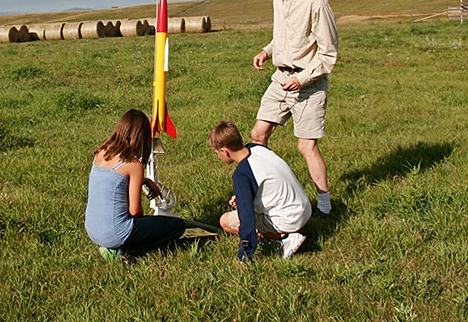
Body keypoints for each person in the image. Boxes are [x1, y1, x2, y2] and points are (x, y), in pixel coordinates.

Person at [252, 0, 339, 216]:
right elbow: (282, 36)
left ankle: (324, 204)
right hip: (280, 79)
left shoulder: (317, 3)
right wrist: (266, 51)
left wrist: (301, 79)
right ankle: (265, 193)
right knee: (258, 135)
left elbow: (328, 54)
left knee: (306, 146)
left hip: (309, 83)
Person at [85, 109, 186, 261]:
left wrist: (143, 181)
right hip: (115, 233)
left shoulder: (101, 152)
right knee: (177, 227)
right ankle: (125, 251)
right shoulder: (134, 165)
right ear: (141, 137)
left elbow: (113, 182)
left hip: (93, 230)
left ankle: (114, 247)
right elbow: (135, 211)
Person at [208, 121, 311, 260]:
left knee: (225, 221)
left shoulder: (242, 175)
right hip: (305, 209)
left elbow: (247, 218)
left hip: (290, 219)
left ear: (224, 151)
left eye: (217, 153)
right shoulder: (257, 148)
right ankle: (286, 232)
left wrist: (244, 254)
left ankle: (285, 238)